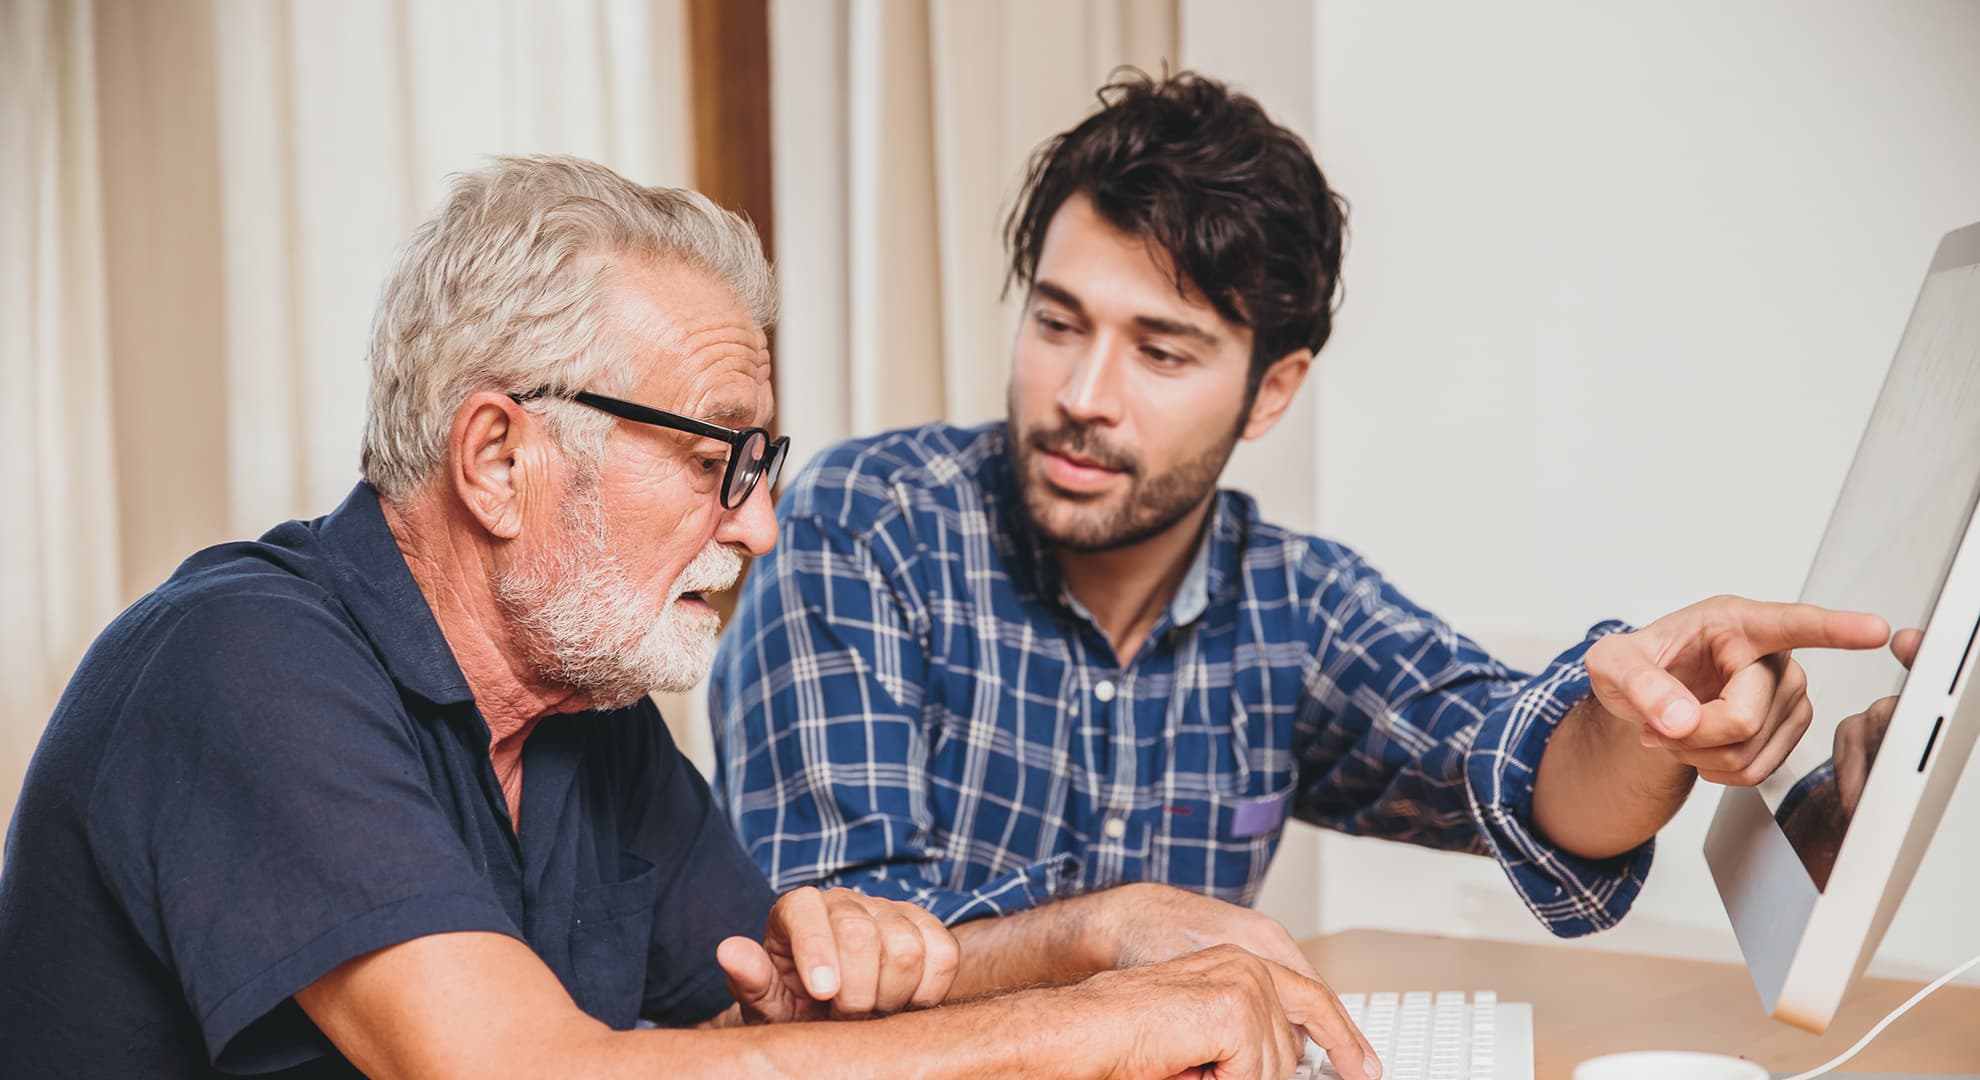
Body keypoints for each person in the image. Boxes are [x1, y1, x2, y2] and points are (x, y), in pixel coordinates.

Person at [0, 155, 1380, 1080]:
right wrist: (1098, 1024)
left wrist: (1094, 936)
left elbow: (775, 1009)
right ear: (496, 458)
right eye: (719, 453)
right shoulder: (241, 665)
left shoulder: (582, 715)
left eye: (765, 463)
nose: (759, 523)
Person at [709, 70, 1892, 982]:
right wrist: (1113, 936)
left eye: (1162, 351)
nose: (1082, 394)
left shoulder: (1293, 603)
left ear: (1272, 390)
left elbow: (1518, 771)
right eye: (1059, 323)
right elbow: (832, 952)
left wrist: (1648, 718)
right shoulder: (858, 528)